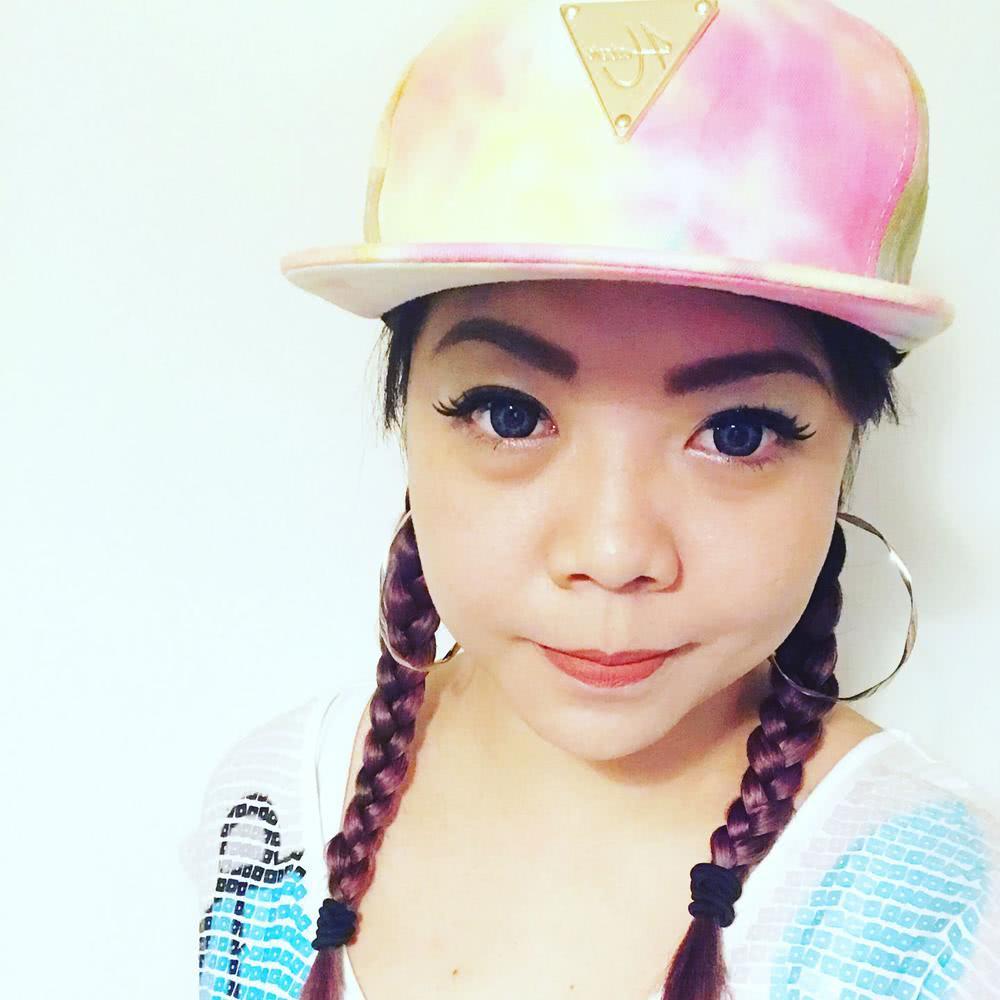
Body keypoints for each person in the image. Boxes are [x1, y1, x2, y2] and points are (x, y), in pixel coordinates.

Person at [185, 0, 1000, 997]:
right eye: (510, 413)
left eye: (737, 432)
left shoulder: (930, 912)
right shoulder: (267, 818)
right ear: (408, 418)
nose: (613, 553)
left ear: (845, 447)